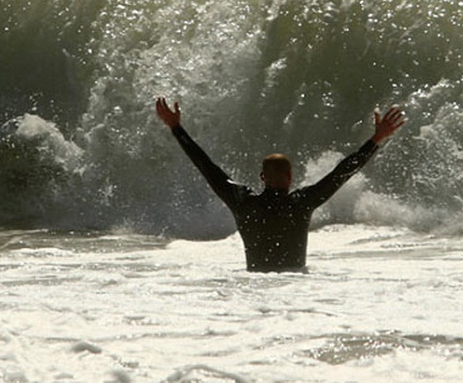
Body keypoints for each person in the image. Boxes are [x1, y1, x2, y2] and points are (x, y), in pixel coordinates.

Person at [155, 97, 405, 272]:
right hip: (294, 294)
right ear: (290, 177)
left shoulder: (243, 203)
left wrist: (176, 128)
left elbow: (205, 166)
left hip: (257, 293)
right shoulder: (301, 203)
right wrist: (376, 139)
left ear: (262, 177)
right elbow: (343, 171)